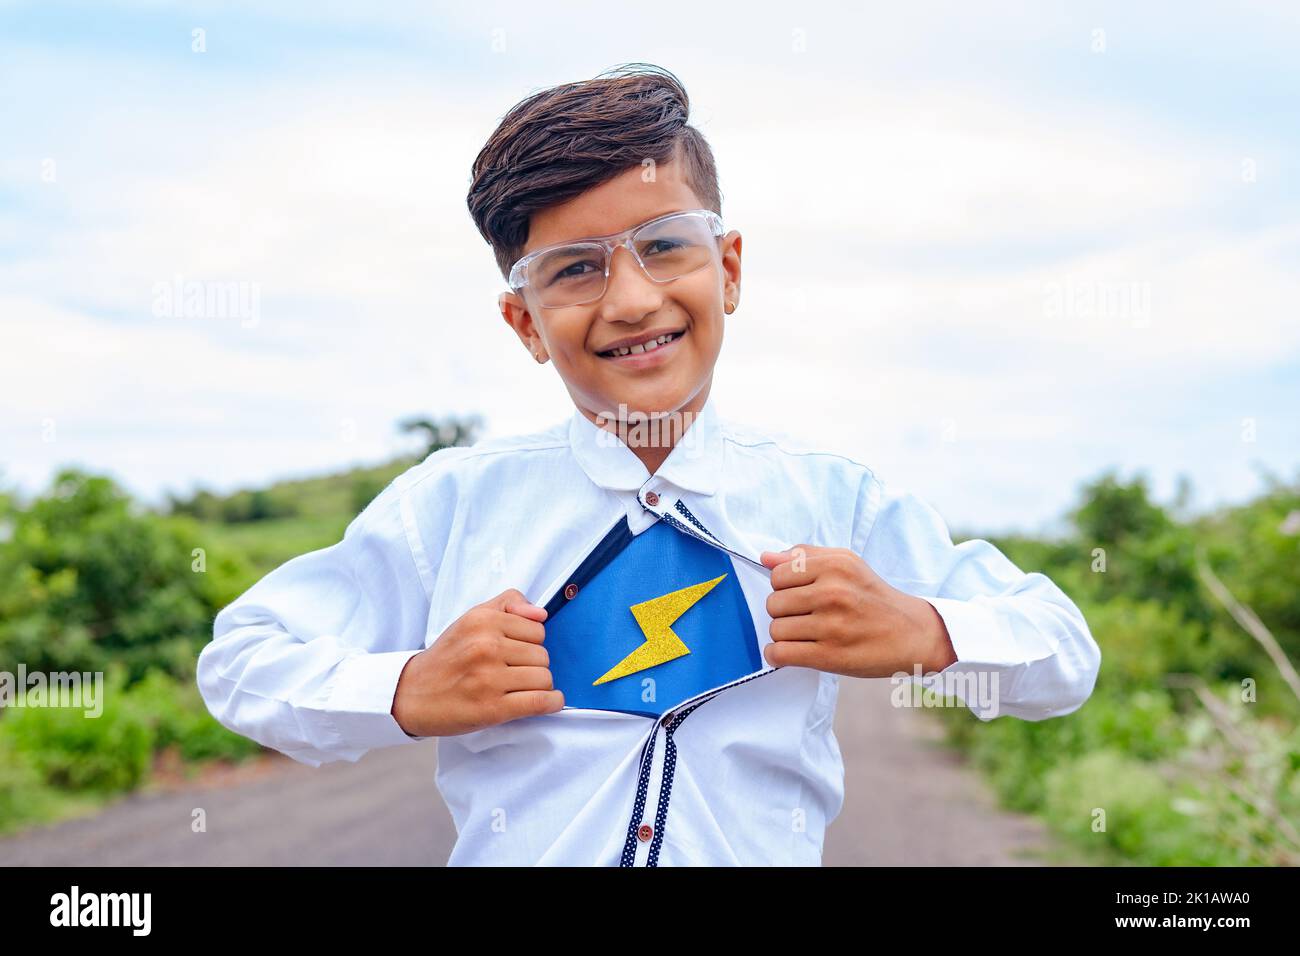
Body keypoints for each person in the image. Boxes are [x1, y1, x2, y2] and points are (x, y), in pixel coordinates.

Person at [197, 62, 1101, 866]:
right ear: (525, 324)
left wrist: (927, 631)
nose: (632, 299)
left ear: (730, 269)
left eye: (665, 244)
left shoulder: (834, 499)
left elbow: (1062, 654)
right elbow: (241, 663)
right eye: (573, 269)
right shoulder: (451, 506)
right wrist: (406, 687)